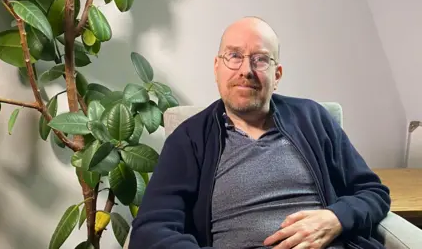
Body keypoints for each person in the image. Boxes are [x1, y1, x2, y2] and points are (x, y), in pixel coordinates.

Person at [129, 16, 391, 249]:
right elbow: (152, 229)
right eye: (234, 56)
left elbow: (373, 192)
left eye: (260, 59)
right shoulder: (189, 139)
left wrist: (336, 217)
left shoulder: (313, 119)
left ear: (277, 75)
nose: (246, 70)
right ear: (216, 68)